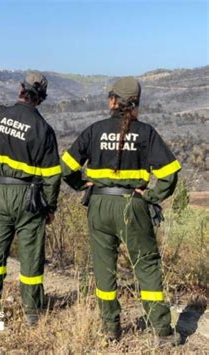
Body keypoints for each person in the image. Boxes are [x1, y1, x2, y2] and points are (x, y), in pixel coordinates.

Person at [61, 77, 182, 346]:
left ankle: (111, 329)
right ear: (136, 103)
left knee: (104, 269)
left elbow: (66, 168)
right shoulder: (146, 133)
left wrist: (83, 185)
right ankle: (161, 331)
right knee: (147, 266)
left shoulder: (94, 130)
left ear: (113, 101)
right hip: (132, 206)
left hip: (99, 204)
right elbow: (170, 175)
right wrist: (150, 196)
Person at [0, 67, 61, 326]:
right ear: (41, 97)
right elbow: (53, 176)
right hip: (30, 199)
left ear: (20, 90)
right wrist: (50, 207)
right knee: (31, 256)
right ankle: (32, 314)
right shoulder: (44, 130)